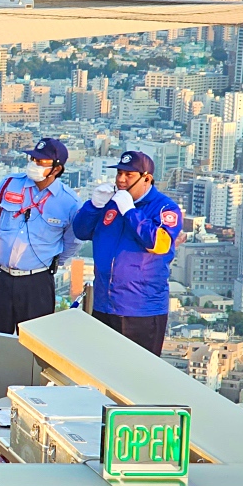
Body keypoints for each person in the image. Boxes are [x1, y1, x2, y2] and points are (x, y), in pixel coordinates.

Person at [73, 151, 184, 356]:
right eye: (119, 174)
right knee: (101, 370)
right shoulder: (110, 203)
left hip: (141, 310)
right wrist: (94, 206)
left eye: (129, 175)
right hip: (104, 305)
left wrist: (131, 212)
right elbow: (80, 231)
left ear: (146, 179)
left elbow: (158, 244)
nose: (121, 180)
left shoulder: (165, 207)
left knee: (136, 376)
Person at [0, 137, 81, 334]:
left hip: (36, 283)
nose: (34, 165)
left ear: (57, 169)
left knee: (34, 345)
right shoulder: (9, 184)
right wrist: (4, 246)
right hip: (0, 277)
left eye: (41, 162)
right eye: (34, 159)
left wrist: (49, 261)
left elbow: (73, 240)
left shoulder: (69, 202)